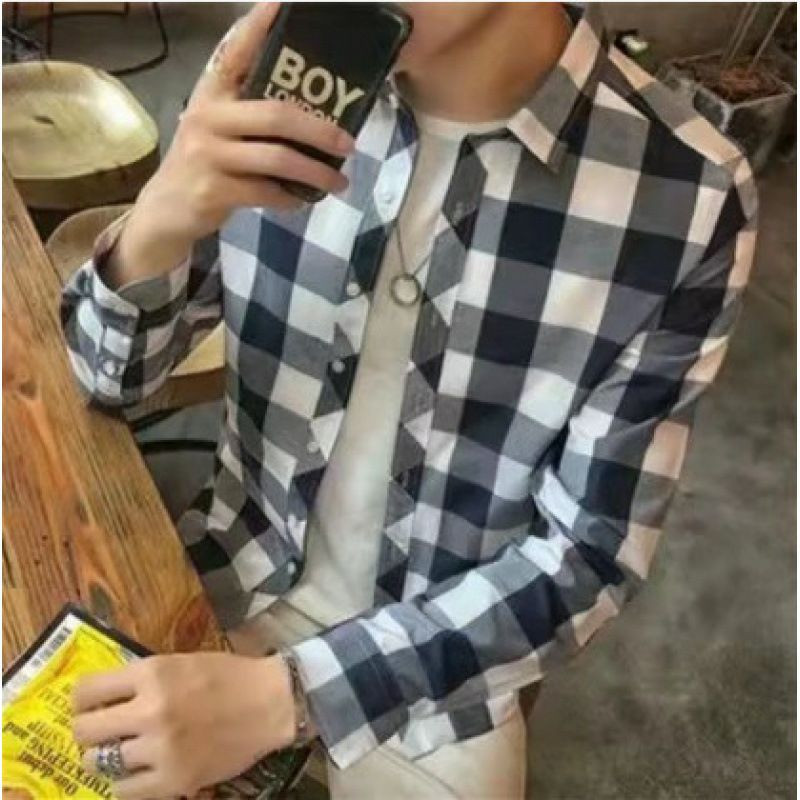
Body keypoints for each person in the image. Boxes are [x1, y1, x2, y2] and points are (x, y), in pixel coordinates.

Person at [61, 2, 757, 799]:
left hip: (441, 682)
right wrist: (161, 219)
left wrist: (293, 695)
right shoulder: (274, 71)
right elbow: (107, 380)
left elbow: (588, 555)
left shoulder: (686, 193)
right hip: (224, 580)